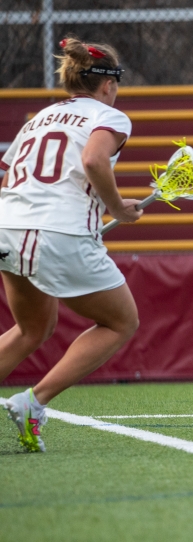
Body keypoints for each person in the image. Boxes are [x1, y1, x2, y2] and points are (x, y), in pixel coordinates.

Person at [0, 38, 143, 453]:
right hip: (58, 232)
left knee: (32, 329)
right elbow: (94, 162)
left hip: (9, 225)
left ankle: (32, 402)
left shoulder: (38, 119)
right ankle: (33, 402)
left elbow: (10, 182)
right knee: (122, 322)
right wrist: (117, 207)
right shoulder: (110, 116)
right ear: (108, 84)